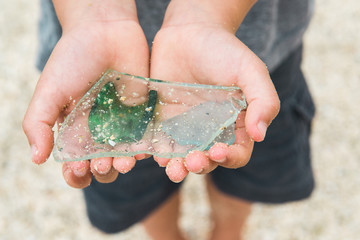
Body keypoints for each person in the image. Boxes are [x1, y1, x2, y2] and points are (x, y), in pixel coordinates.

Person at [23, 0, 315, 239]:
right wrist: (95, 15)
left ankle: (228, 233)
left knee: (244, 163)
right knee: (136, 184)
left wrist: (206, 13)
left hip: (247, 42)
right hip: (95, 56)